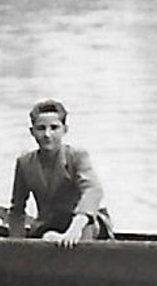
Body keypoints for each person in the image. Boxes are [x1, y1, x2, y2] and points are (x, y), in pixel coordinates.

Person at [9, 100, 112, 248]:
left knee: (80, 235)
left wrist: (75, 228)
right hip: (49, 226)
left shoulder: (77, 156)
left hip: (84, 224)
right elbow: (17, 210)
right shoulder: (25, 163)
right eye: (41, 128)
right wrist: (16, 245)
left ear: (65, 129)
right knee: (47, 236)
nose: (47, 134)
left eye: (54, 128)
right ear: (32, 132)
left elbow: (93, 190)